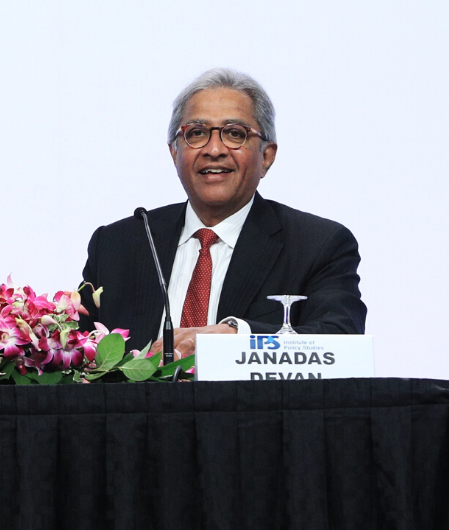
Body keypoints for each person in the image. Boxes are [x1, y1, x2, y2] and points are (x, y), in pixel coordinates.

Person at [79, 68, 366, 359]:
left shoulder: (317, 244)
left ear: (267, 156)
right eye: (197, 133)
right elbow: (77, 352)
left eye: (234, 134)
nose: (214, 149)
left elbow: (341, 340)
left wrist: (234, 336)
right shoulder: (119, 244)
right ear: (175, 153)